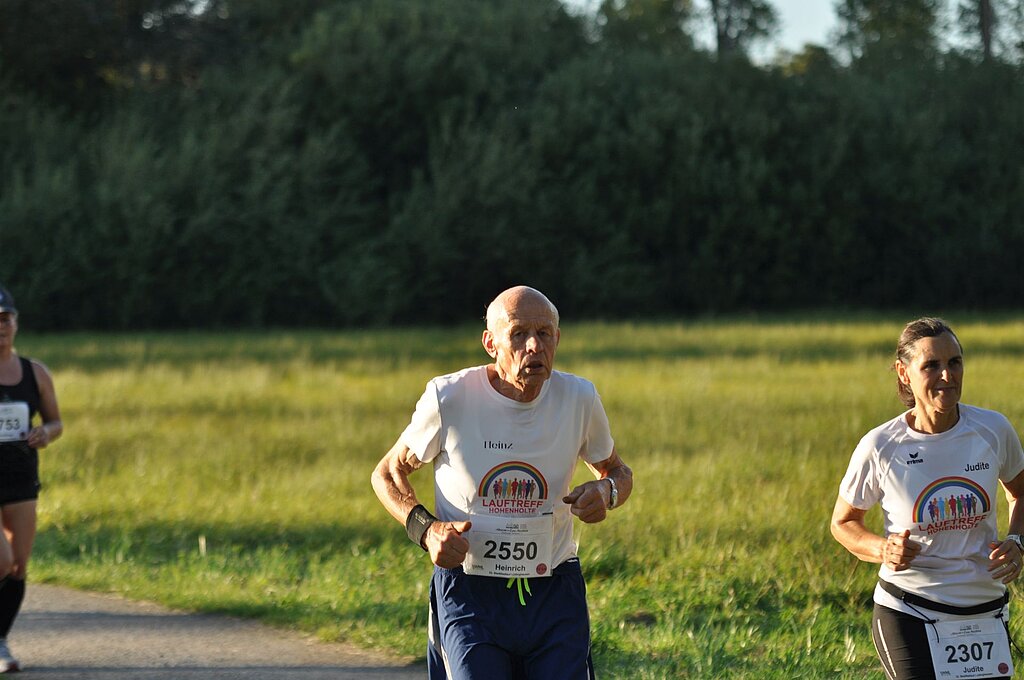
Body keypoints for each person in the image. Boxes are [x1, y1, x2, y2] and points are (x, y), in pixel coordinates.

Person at [371, 285, 632, 679]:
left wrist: (606, 492)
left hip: (554, 589)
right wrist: (427, 531)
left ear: (557, 339)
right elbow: (388, 473)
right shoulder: (449, 397)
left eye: (544, 333)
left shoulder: (579, 397)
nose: (534, 346)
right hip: (470, 591)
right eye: (518, 334)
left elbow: (617, 471)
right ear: (490, 343)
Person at [830, 317, 1024, 680]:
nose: (947, 376)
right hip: (909, 608)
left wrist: (1017, 541)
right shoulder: (881, 446)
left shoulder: (993, 429)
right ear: (904, 373)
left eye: (955, 362)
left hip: (985, 610)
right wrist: (883, 549)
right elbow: (843, 522)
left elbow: (1021, 492)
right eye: (931, 365)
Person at [0, 285, 63, 673]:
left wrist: (46, 433)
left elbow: (56, 421)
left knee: (19, 565)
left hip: (21, 478)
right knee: (1, 559)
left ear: (16, 323)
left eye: (5, 319)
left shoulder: (35, 372)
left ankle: (0, 641)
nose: (0, 326)